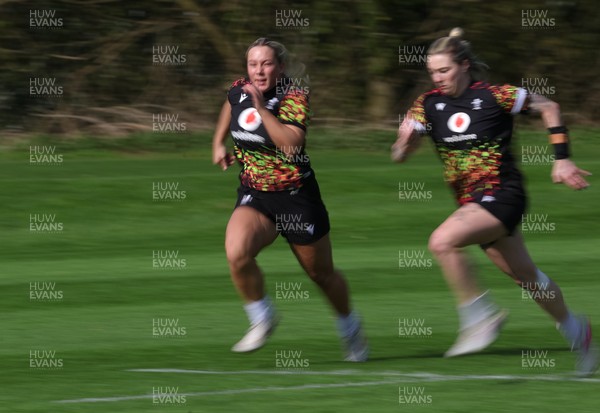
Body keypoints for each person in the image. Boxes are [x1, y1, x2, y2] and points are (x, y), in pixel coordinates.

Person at [392, 28, 598, 376]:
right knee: (527, 278)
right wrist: (405, 144)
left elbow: (549, 106)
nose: (437, 78)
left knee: (442, 242)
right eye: (432, 72)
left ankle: (479, 317)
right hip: (471, 203)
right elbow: (399, 153)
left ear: (464, 65)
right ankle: (578, 331)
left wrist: (561, 159)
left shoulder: (496, 95)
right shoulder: (427, 104)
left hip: (503, 194)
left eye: (444, 70)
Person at [212, 38, 368, 361]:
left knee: (320, 274)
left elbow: (291, 146)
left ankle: (350, 326)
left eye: (266, 64)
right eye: (253, 64)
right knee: (236, 252)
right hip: (256, 194)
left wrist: (258, 107)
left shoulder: (294, 97)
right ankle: (262, 317)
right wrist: (217, 142)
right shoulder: (240, 89)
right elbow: (230, 103)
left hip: (296, 198)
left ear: (280, 67)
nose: (259, 70)